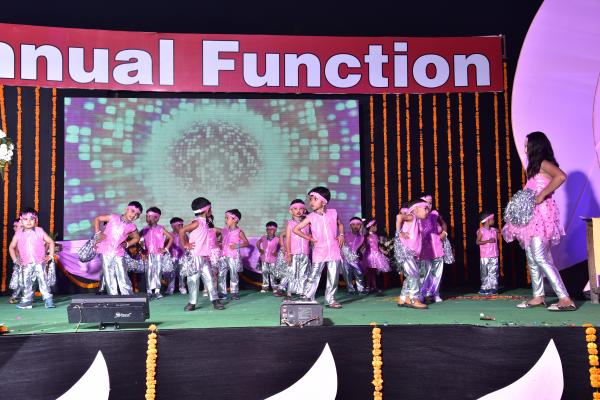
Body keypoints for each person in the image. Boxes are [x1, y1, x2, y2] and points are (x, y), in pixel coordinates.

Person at [503, 131, 576, 311]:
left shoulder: (544, 163)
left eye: (527, 145)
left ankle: (565, 298)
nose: (525, 149)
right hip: (531, 216)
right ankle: (538, 296)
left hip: (542, 215)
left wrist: (542, 194)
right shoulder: (535, 167)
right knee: (532, 256)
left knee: (540, 256)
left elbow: (561, 176)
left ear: (535, 146)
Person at [293, 186, 344, 309]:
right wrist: (309, 238)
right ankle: (307, 297)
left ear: (323, 201)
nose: (311, 202)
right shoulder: (310, 217)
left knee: (333, 277)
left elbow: (340, 224)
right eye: (310, 199)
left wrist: (341, 234)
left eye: (314, 199)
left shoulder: (333, 213)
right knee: (314, 275)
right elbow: (296, 229)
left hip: (334, 249)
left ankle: (330, 300)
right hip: (319, 250)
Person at [178, 197, 224, 311]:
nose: (211, 211)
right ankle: (192, 302)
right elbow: (182, 231)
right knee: (193, 280)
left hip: (205, 257)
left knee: (210, 279)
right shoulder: (197, 222)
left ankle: (215, 300)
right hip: (195, 257)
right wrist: (185, 244)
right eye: (211, 209)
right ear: (207, 210)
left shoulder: (206, 223)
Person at [8, 208, 55, 309]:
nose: (28, 222)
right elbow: (11, 247)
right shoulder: (18, 233)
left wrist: (50, 255)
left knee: (43, 281)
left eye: (31, 219)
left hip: (40, 262)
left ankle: (48, 300)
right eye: (25, 219)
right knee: (26, 282)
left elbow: (51, 242)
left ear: (36, 220)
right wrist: (15, 260)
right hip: (25, 263)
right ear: (21, 220)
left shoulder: (39, 231)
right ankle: (27, 301)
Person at [93, 201, 142, 295]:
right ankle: (113, 295)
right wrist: (98, 233)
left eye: (137, 214)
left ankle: (127, 295)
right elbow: (97, 218)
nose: (134, 215)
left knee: (122, 273)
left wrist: (127, 244)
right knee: (109, 274)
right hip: (106, 250)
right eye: (132, 211)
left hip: (119, 252)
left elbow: (137, 238)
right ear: (126, 209)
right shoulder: (113, 217)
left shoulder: (132, 226)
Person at [395, 199, 430, 309]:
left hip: (411, 253)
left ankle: (403, 298)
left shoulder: (417, 221)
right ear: (416, 209)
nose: (427, 211)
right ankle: (413, 299)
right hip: (406, 252)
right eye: (425, 208)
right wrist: (399, 232)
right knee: (414, 274)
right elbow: (399, 217)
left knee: (411, 276)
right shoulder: (412, 217)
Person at [418, 194, 448, 303]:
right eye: (426, 203)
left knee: (437, 272)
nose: (428, 205)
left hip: (436, 246)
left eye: (430, 203)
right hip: (424, 248)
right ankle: (421, 295)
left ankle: (435, 294)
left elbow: (443, 224)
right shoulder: (417, 216)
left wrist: (444, 233)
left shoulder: (435, 214)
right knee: (424, 272)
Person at [140, 207, 173, 299]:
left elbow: (171, 237)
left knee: (158, 271)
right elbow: (137, 238)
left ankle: (157, 291)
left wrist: (165, 249)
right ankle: (149, 291)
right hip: (148, 254)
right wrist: (142, 250)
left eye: (150, 216)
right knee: (148, 272)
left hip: (158, 254)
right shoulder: (144, 229)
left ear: (156, 218)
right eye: (147, 216)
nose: (147, 218)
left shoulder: (161, 229)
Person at [218, 209, 249, 300]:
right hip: (223, 255)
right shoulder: (224, 230)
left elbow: (246, 243)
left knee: (233, 274)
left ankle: (234, 292)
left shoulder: (239, 231)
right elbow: (221, 240)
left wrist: (237, 246)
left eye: (227, 218)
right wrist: (219, 243)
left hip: (233, 256)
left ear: (235, 219)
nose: (225, 220)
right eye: (225, 218)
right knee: (221, 274)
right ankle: (222, 293)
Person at [364, 219, 391, 294]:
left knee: (373, 272)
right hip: (370, 256)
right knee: (369, 272)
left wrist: (383, 251)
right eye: (375, 226)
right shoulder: (367, 236)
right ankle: (368, 287)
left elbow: (377, 246)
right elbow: (365, 246)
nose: (376, 228)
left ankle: (374, 286)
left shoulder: (375, 236)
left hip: (376, 255)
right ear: (371, 227)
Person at [477, 211, 500, 295]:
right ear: (487, 220)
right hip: (485, 256)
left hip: (494, 254)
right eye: (492, 219)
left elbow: (501, 232)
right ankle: (484, 287)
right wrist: (488, 241)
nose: (494, 220)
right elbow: (477, 242)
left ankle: (493, 288)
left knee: (493, 271)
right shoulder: (481, 231)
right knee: (485, 272)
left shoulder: (494, 230)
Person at [341, 217, 366, 294]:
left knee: (359, 273)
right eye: (353, 224)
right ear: (350, 225)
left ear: (360, 226)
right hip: (346, 258)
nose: (355, 226)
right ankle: (350, 289)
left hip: (356, 259)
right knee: (347, 274)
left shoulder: (362, 237)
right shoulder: (345, 235)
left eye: (358, 224)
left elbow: (362, 248)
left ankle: (361, 289)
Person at [257, 221, 281, 293]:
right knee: (265, 272)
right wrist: (259, 249)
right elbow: (258, 242)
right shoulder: (263, 237)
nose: (269, 231)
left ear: (275, 230)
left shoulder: (277, 239)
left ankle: (274, 287)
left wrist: (277, 252)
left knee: (273, 273)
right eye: (268, 229)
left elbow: (282, 246)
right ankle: (265, 287)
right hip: (264, 258)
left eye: (271, 229)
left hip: (273, 259)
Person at [166, 217, 187, 295]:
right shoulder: (169, 235)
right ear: (173, 226)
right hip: (172, 257)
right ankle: (170, 288)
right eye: (179, 225)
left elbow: (187, 244)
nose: (181, 227)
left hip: (182, 257)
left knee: (182, 273)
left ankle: (182, 287)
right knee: (172, 273)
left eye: (182, 225)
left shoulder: (184, 234)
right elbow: (165, 245)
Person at [8, 219, 23, 304]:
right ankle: (15, 296)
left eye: (18, 226)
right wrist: (16, 259)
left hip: (29, 260)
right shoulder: (16, 236)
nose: (15, 228)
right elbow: (14, 249)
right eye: (15, 226)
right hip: (19, 261)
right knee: (18, 278)